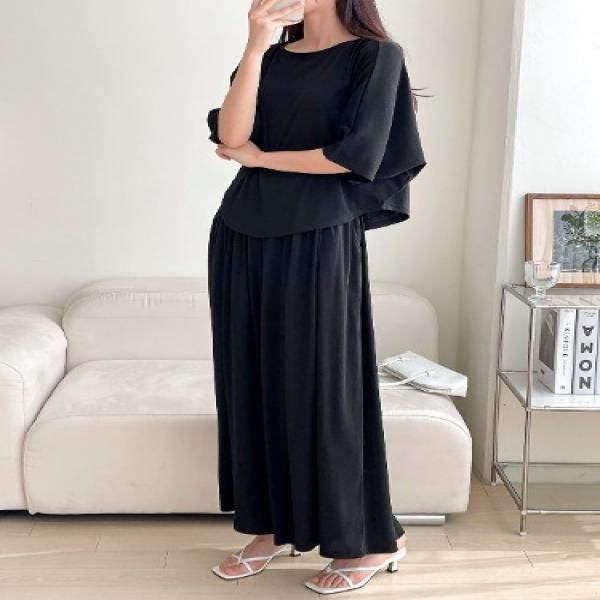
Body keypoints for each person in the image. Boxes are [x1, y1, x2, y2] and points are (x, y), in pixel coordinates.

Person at [206, 0, 427, 593]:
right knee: (250, 386)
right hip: (241, 234)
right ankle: (269, 528)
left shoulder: (375, 57)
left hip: (318, 237)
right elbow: (231, 135)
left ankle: (373, 539)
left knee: (323, 389)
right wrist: (255, 44)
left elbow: (356, 156)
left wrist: (261, 159)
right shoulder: (270, 58)